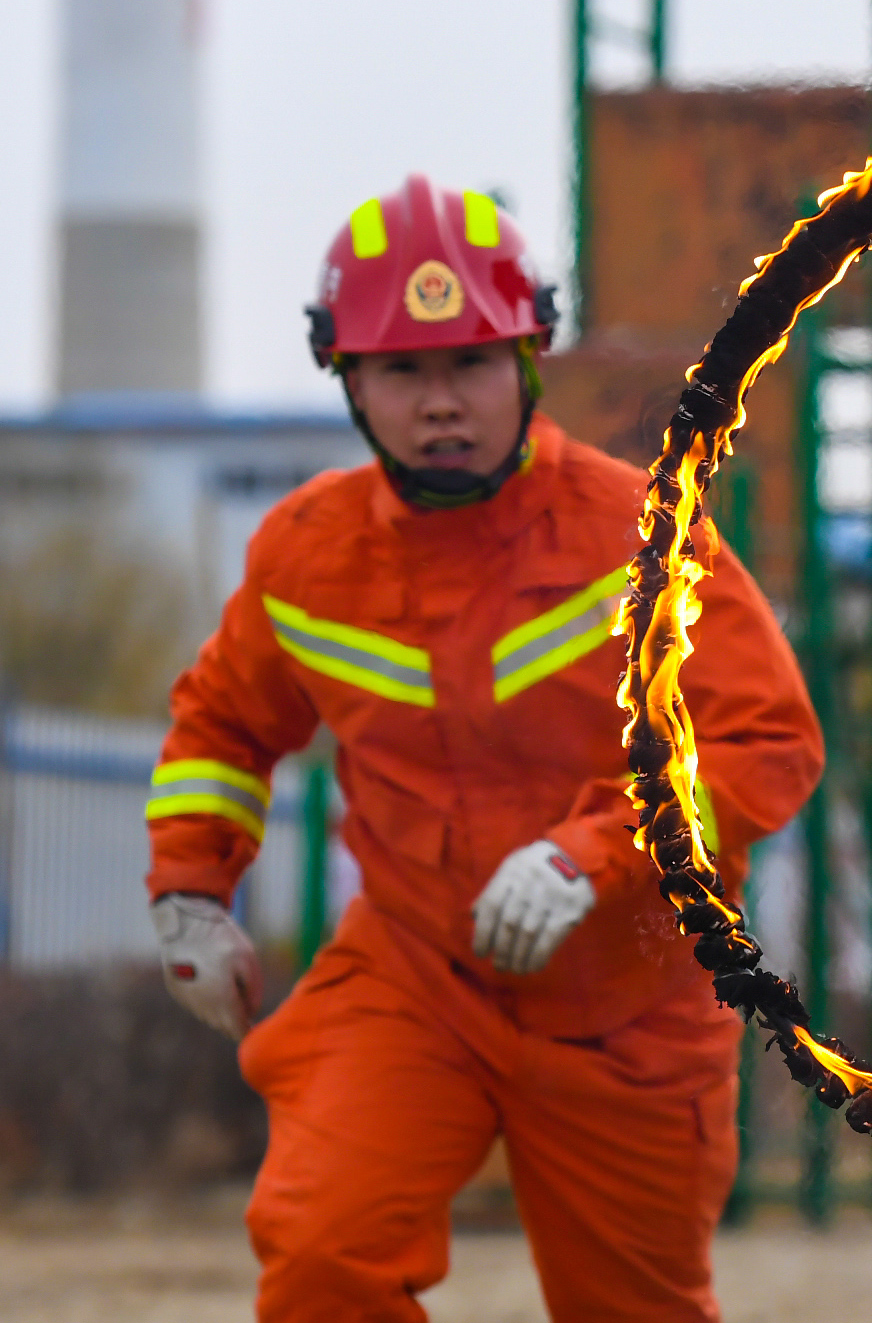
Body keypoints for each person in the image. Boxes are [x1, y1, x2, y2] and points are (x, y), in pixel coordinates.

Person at [143, 174, 822, 1322]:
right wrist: (190, 893)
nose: (439, 401)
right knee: (319, 1259)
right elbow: (222, 722)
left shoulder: (640, 534)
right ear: (349, 382)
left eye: (470, 362)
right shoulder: (304, 556)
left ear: (529, 361)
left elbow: (764, 740)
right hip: (414, 981)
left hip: (630, 1006)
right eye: (402, 371)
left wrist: (591, 856)